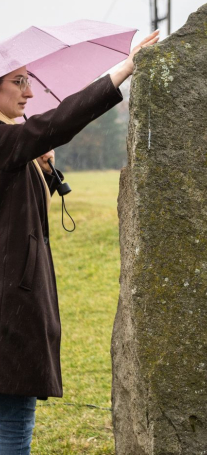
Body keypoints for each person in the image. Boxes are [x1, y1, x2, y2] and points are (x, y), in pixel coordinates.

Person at [0, 31, 159, 454]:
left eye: (29, 80)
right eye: (18, 81)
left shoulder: (14, 144)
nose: (29, 91)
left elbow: (16, 210)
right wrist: (123, 71)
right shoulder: (6, 142)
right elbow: (60, 121)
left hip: (11, 302)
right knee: (13, 422)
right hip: (8, 311)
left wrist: (44, 170)